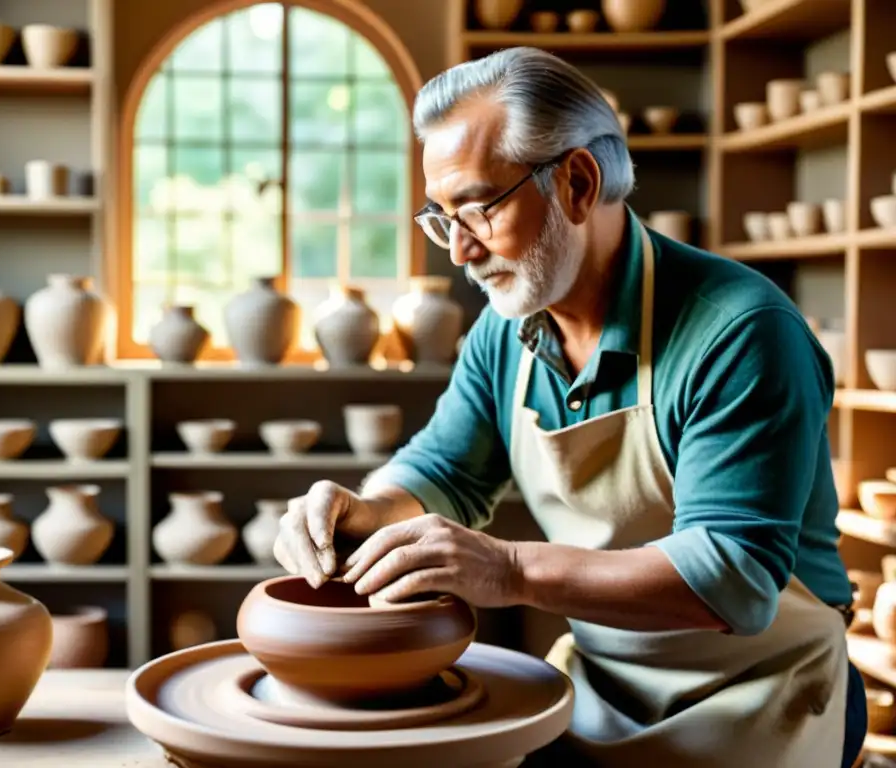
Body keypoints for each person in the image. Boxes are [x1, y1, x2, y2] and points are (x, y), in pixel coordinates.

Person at [272, 46, 867, 767]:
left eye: (478, 209)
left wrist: (509, 571)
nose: (457, 251)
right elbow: (446, 471)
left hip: (765, 688)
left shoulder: (741, 332)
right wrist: (364, 513)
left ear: (577, 184)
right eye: (441, 217)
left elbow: (732, 578)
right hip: (605, 682)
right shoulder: (503, 330)